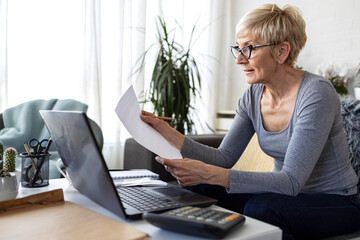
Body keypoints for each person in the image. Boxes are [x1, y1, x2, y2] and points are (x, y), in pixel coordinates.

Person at [140, 4, 360, 240]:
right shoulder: (253, 96)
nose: (239, 60)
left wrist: (211, 173)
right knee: (198, 188)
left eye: (250, 48)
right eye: (239, 48)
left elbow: (291, 182)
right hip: (286, 197)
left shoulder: (317, 93)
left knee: (262, 208)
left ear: (281, 52)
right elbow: (224, 157)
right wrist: (167, 132)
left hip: (337, 202)